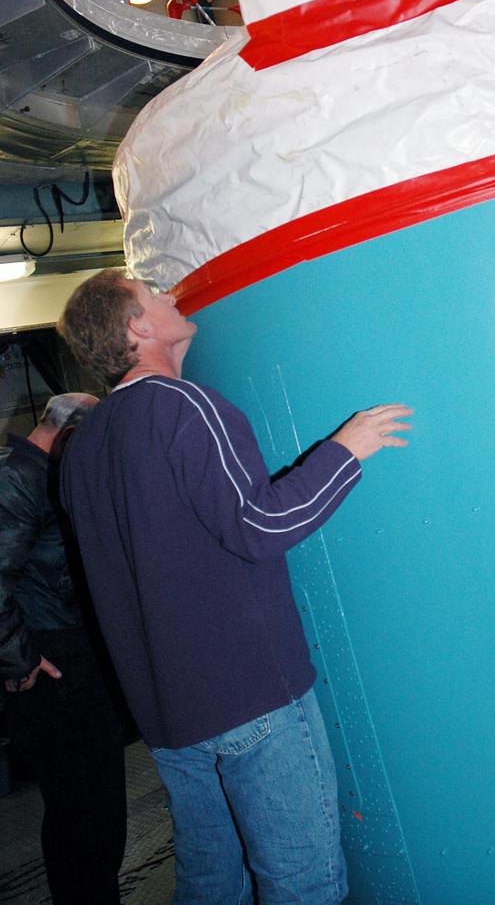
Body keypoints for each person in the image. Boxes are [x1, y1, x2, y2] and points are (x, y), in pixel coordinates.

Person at [57, 268, 411, 905]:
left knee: (212, 881)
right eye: (152, 295)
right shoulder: (184, 404)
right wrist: (346, 450)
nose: (168, 296)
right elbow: (260, 523)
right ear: (138, 327)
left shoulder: (83, 448)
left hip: (168, 719)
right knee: (302, 882)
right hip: (251, 700)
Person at [0, 393, 128, 905]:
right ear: (69, 436)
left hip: (62, 660)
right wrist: (21, 659)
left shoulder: (36, 477)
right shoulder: (19, 482)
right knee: (90, 816)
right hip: (55, 669)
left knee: (82, 813)